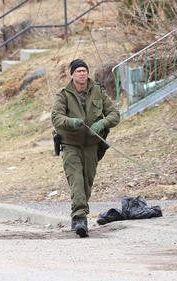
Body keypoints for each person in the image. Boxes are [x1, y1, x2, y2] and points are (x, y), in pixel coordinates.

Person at [51, 59, 120, 237]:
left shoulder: (98, 91)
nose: (82, 74)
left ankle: (77, 214)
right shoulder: (63, 94)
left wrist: (103, 122)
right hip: (70, 145)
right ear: (72, 74)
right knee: (76, 180)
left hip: (91, 145)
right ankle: (80, 217)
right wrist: (70, 122)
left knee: (87, 180)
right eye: (78, 71)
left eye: (84, 70)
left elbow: (114, 114)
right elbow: (56, 117)